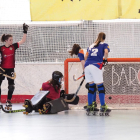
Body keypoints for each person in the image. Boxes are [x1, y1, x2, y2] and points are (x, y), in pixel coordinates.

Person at [0, 23, 29, 109]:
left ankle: (8, 100)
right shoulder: (1, 48)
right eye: (10, 40)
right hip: (2, 69)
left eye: (12, 40)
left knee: (11, 86)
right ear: (6, 40)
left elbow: (23, 40)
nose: (11, 41)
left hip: (11, 69)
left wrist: (25, 32)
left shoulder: (14, 46)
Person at [84, 32, 111, 114]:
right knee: (100, 86)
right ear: (104, 38)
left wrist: (88, 64)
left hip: (87, 66)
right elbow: (106, 52)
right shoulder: (104, 44)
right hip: (96, 65)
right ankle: (103, 107)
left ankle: (90, 106)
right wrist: (105, 60)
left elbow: (85, 56)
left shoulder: (91, 45)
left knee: (91, 86)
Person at [69, 44, 96, 109]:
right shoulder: (84, 50)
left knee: (90, 86)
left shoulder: (80, 53)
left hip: (89, 69)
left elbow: (83, 63)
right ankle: (93, 102)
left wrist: (85, 71)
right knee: (93, 86)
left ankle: (91, 103)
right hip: (95, 68)